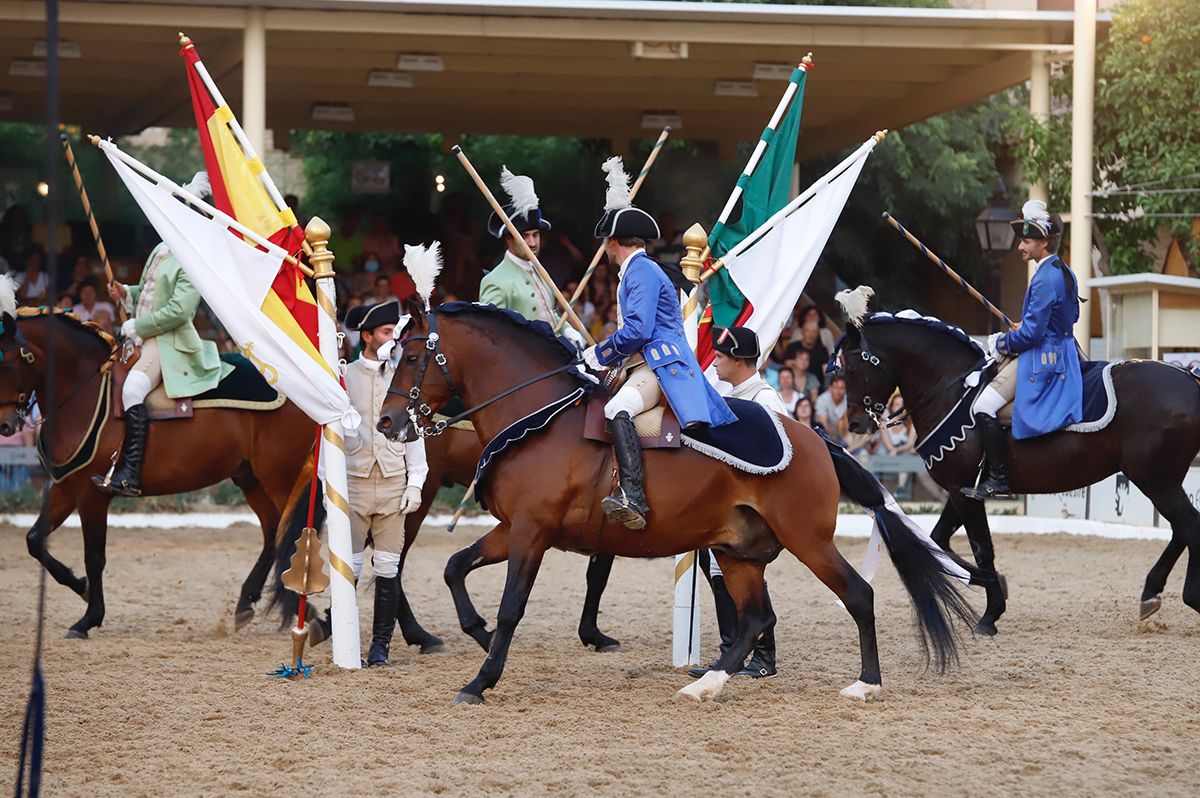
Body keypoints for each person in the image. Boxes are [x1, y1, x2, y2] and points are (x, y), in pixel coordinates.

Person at [581, 156, 736, 530]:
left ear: (613, 241)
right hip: (640, 364)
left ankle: (633, 495)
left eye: (606, 240)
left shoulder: (642, 270)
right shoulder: (633, 271)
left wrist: (599, 353)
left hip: (660, 365)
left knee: (616, 409)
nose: (604, 245)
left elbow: (637, 331)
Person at [95, 172, 225, 496]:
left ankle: (130, 474)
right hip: (142, 335)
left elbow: (180, 312)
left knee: (133, 388)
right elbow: (150, 291)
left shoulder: (193, 258)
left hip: (169, 341)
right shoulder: (161, 249)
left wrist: (138, 326)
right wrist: (127, 292)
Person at [964, 200, 1082, 500]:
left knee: (982, 407)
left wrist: (1000, 341)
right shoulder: (1064, 271)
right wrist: (1029, 326)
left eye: (1026, 241)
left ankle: (999, 479)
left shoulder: (1044, 277)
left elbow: (1031, 336)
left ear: (1043, 242)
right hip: (1064, 352)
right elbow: (1068, 318)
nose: (1020, 247)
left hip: (1042, 359)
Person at [342, 299, 428, 666]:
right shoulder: (344, 377)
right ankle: (345, 638)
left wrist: (416, 483)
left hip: (393, 484)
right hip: (354, 483)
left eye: (395, 332)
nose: (392, 339)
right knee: (351, 569)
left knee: (388, 569)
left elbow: (415, 433)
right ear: (367, 337)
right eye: (386, 333)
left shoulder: (403, 376)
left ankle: (381, 647)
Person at [699, 324, 785, 679]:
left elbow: (779, 458)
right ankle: (731, 652)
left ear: (739, 360)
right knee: (716, 567)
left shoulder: (765, 400)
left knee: (744, 576)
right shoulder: (730, 395)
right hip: (730, 506)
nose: (715, 363)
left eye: (720, 357)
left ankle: (763, 657)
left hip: (756, 508)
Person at [815, 374, 849, 447]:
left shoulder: (849, 401)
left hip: (846, 436)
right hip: (827, 437)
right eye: (835, 387)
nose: (838, 391)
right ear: (830, 388)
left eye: (842, 388)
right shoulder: (822, 399)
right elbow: (824, 425)